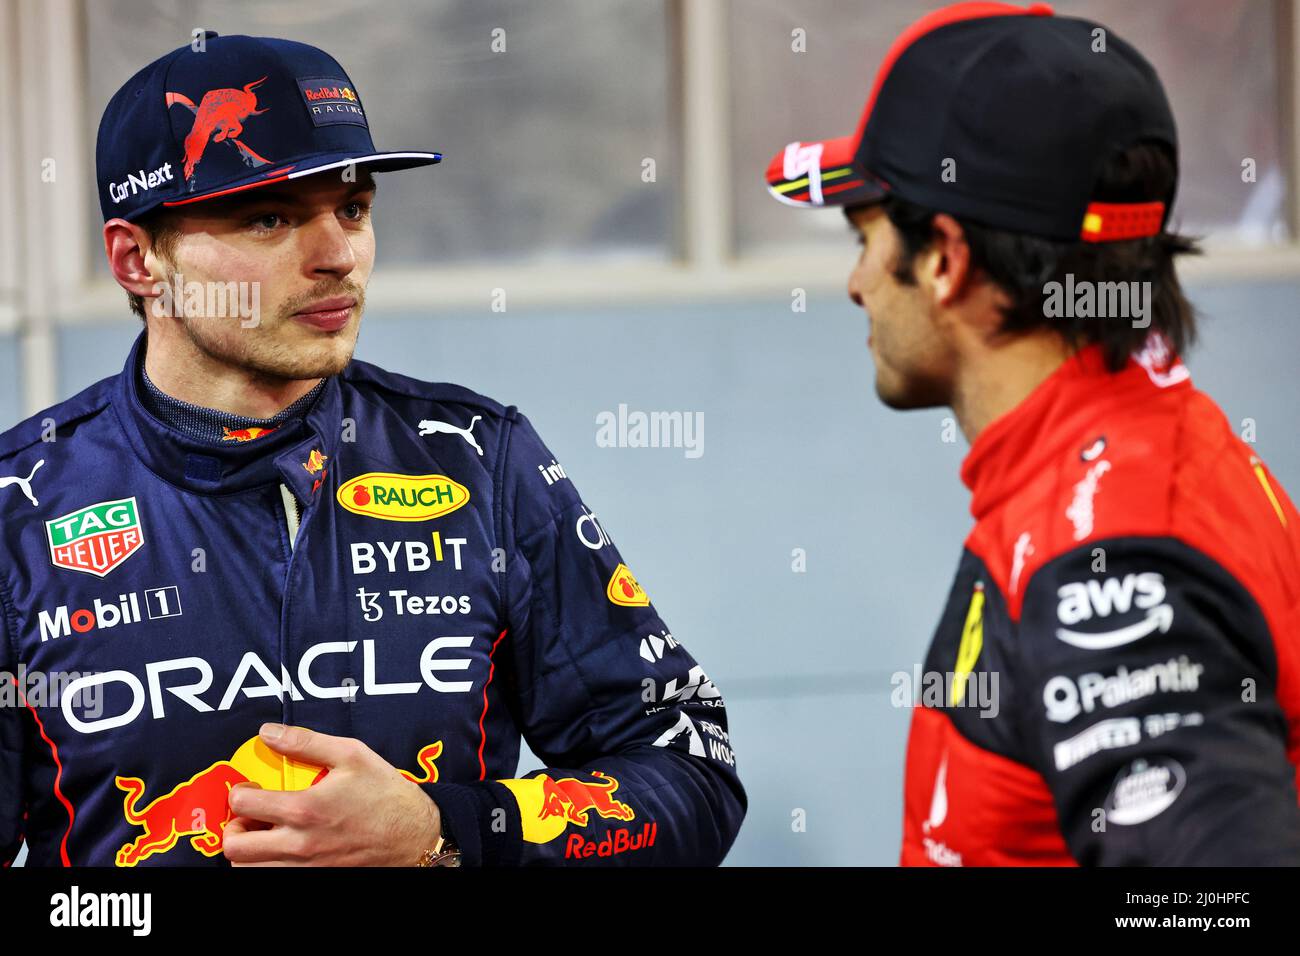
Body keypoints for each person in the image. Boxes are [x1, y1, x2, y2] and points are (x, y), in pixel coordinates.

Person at [0, 32, 744, 867]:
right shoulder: (18, 511)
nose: (337, 257)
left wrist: (445, 831)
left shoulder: (477, 461)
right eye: (270, 217)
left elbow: (692, 774)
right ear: (139, 260)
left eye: (352, 209)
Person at [766, 1, 1300, 864]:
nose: (857, 282)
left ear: (944, 257)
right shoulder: (1113, 462)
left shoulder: (1115, 549)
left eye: (863, 235)